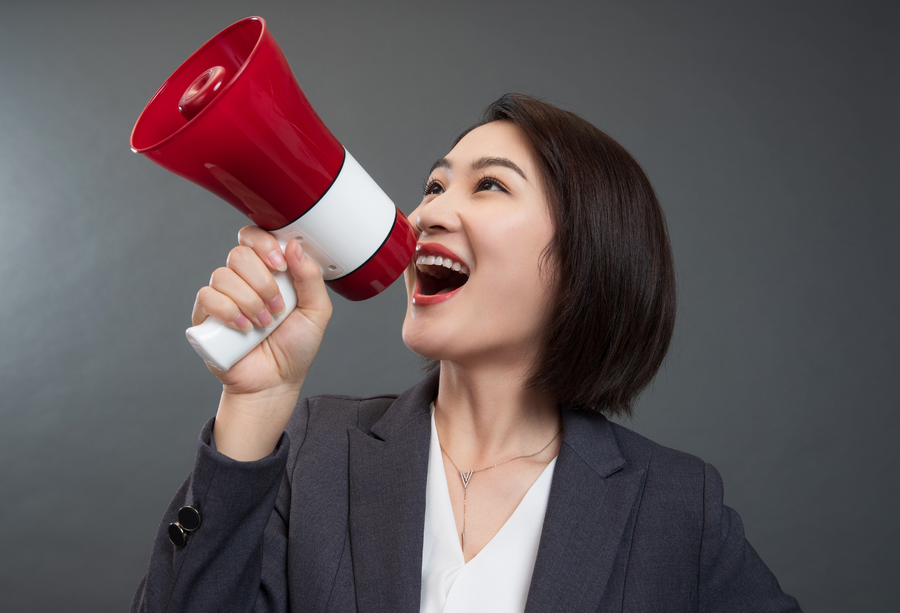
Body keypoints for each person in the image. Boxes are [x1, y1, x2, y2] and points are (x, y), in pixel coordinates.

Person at [131, 94, 801, 612]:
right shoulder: (311, 450)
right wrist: (253, 402)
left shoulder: (676, 505)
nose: (425, 216)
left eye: (489, 186)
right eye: (433, 186)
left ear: (586, 256)